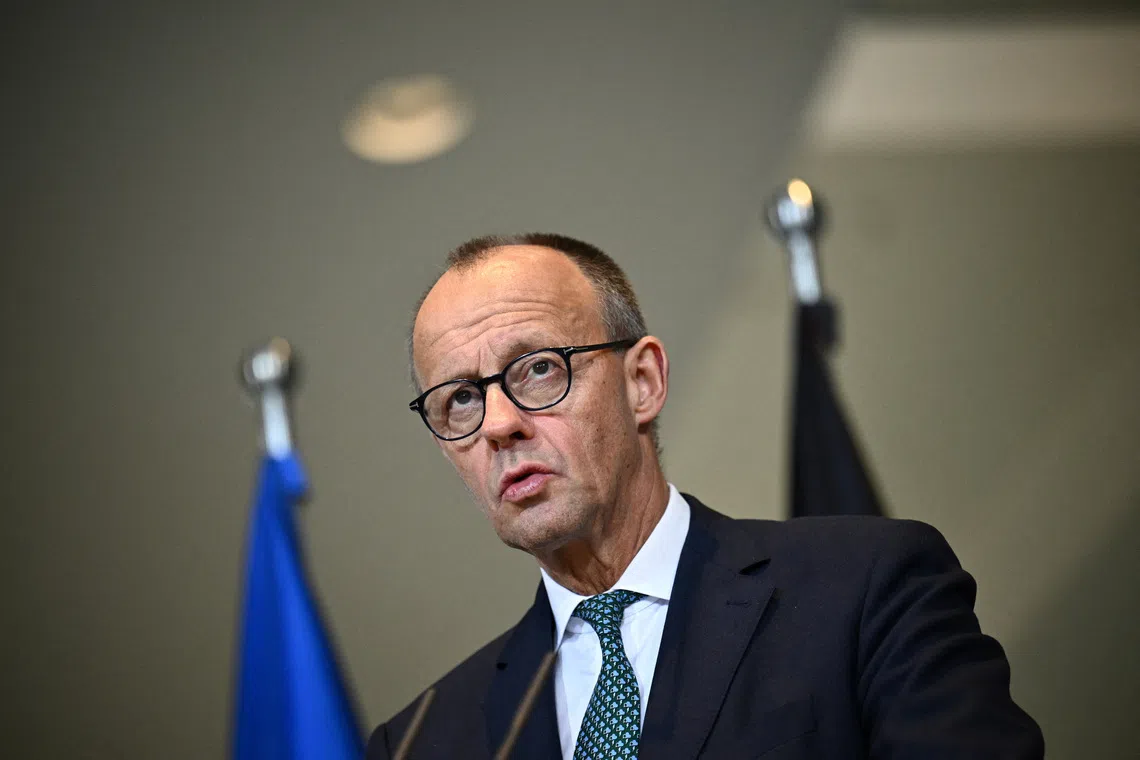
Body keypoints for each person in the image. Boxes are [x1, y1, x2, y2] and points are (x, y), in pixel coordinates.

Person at [367, 233, 1043, 759]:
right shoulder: (421, 742)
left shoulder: (866, 590)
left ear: (643, 382)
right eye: (459, 399)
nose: (498, 424)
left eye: (539, 369)